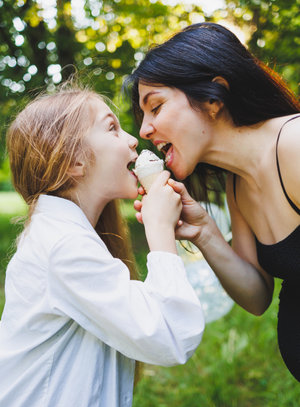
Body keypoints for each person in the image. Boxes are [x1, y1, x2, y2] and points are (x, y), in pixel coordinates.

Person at [0, 85, 205, 407]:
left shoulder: (68, 236)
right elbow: (171, 336)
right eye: (111, 128)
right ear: (73, 162)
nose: (132, 140)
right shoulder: (63, 246)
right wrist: (159, 231)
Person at [126, 22, 300, 381]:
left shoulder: (294, 145)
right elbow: (257, 296)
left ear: (212, 97)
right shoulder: (237, 184)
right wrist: (204, 231)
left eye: (155, 107)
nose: (143, 130)